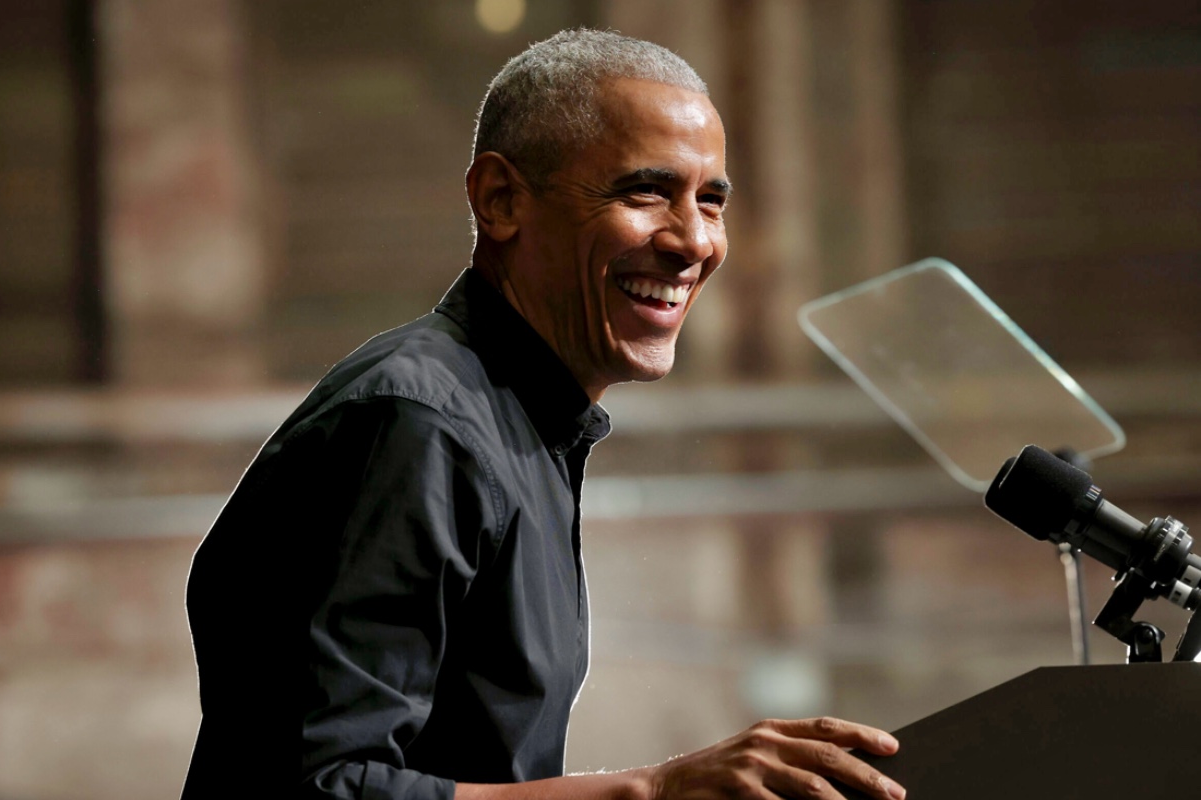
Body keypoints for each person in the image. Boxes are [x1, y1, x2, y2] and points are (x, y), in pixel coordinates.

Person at [181, 28, 905, 800]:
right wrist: (652, 793)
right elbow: (318, 788)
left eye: (712, 201)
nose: (693, 241)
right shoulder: (420, 424)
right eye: (646, 192)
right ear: (500, 200)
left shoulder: (517, 419)